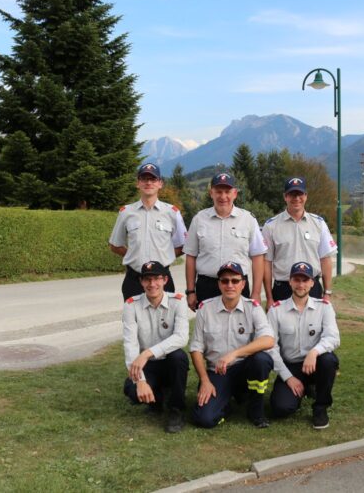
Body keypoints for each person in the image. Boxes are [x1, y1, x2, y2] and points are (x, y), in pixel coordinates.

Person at [189, 261, 275, 428]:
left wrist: (234, 354)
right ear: (219, 284)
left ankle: (256, 410)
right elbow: (195, 349)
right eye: (225, 281)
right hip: (218, 372)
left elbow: (268, 340)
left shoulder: (253, 308)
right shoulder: (205, 309)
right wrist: (205, 380)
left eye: (235, 281)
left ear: (243, 284)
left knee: (262, 360)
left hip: (245, 369)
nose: (230, 285)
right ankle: (225, 405)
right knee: (205, 419)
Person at [268, 261, 340, 429]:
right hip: (291, 366)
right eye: (297, 280)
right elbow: (271, 347)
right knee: (281, 408)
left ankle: (320, 408)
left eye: (305, 280)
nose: (301, 284)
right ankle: (302, 389)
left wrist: (314, 352)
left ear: (312, 283)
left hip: (316, 363)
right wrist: (288, 378)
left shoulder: (324, 307)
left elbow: (333, 337)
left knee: (328, 360)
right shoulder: (276, 310)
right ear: (290, 282)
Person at [122, 260, 190, 433]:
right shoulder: (131, 305)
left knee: (179, 357)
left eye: (157, 279)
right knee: (132, 390)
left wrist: (146, 353)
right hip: (149, 365)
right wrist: (141, 382)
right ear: (141, 282)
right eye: (147, 279)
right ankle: (157, 399)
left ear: (165, 280)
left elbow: (181, 337)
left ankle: (176, 409)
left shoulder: (178, 301)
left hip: (169, 361)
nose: (152, 284)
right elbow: (130, 345)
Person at [183, 172, 267, 311]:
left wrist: (256, 293)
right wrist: (190, 291)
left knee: (240, 330)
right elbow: (191, 257)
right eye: (218, 192)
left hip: (237, 285)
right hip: (207, 286)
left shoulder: (248, 220)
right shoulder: (199, 219)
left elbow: (258, 257)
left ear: (235, 193)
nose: (223, 197)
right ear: (211, 193)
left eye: (227, 192)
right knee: (208, 330)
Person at [109, 163, 188, 300]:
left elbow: (183, 246)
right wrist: (134, 255)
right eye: (144, 179)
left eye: (153, 179)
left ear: (160, 183)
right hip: (135, 278)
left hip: (162, 279)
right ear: (138, 183)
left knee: (164, 321)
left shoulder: (172, 212)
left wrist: (164, 256)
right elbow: (115, 245)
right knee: (133, 321)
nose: (148, 182)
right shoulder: (126, 212)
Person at [262, 176, 337, 309]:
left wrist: (327, 293)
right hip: (283, 289)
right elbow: (266, 263)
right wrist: (269, 297)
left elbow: (326, 260)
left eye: (299, 194)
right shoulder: (271, 226)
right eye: (292, 194)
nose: (296, 198)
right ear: (285, 197)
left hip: (312, 288)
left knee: (313, 329)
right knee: (282, 330)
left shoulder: (319, 223)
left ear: (306, 196)